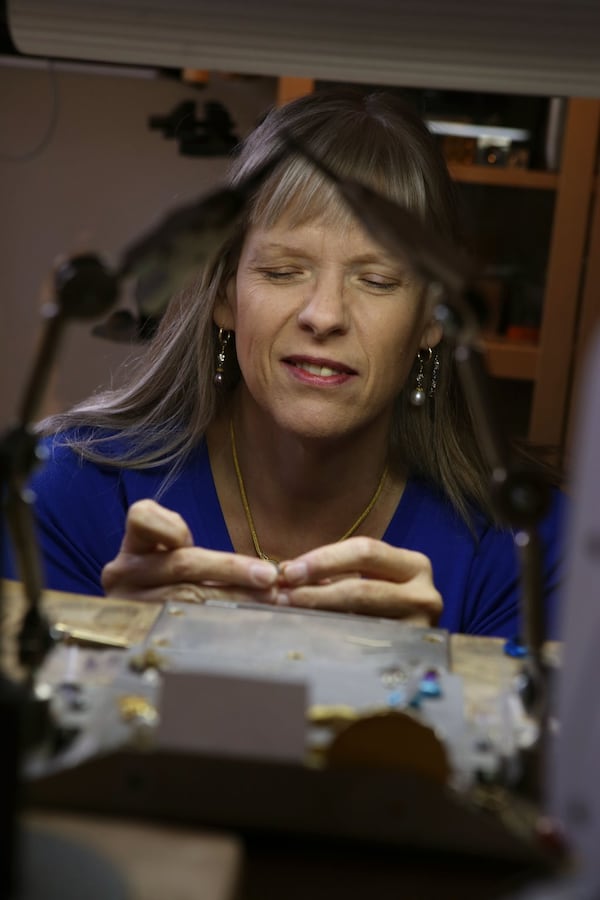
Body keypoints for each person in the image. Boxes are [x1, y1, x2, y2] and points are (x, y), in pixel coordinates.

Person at [2, 88, 564, 637]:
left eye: (377, 280)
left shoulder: (525, 545)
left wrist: (427, 667)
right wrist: (110, 648)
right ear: (226, 294)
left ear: (431, 320)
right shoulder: (63, 492)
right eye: (282, 271)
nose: (324, 316)